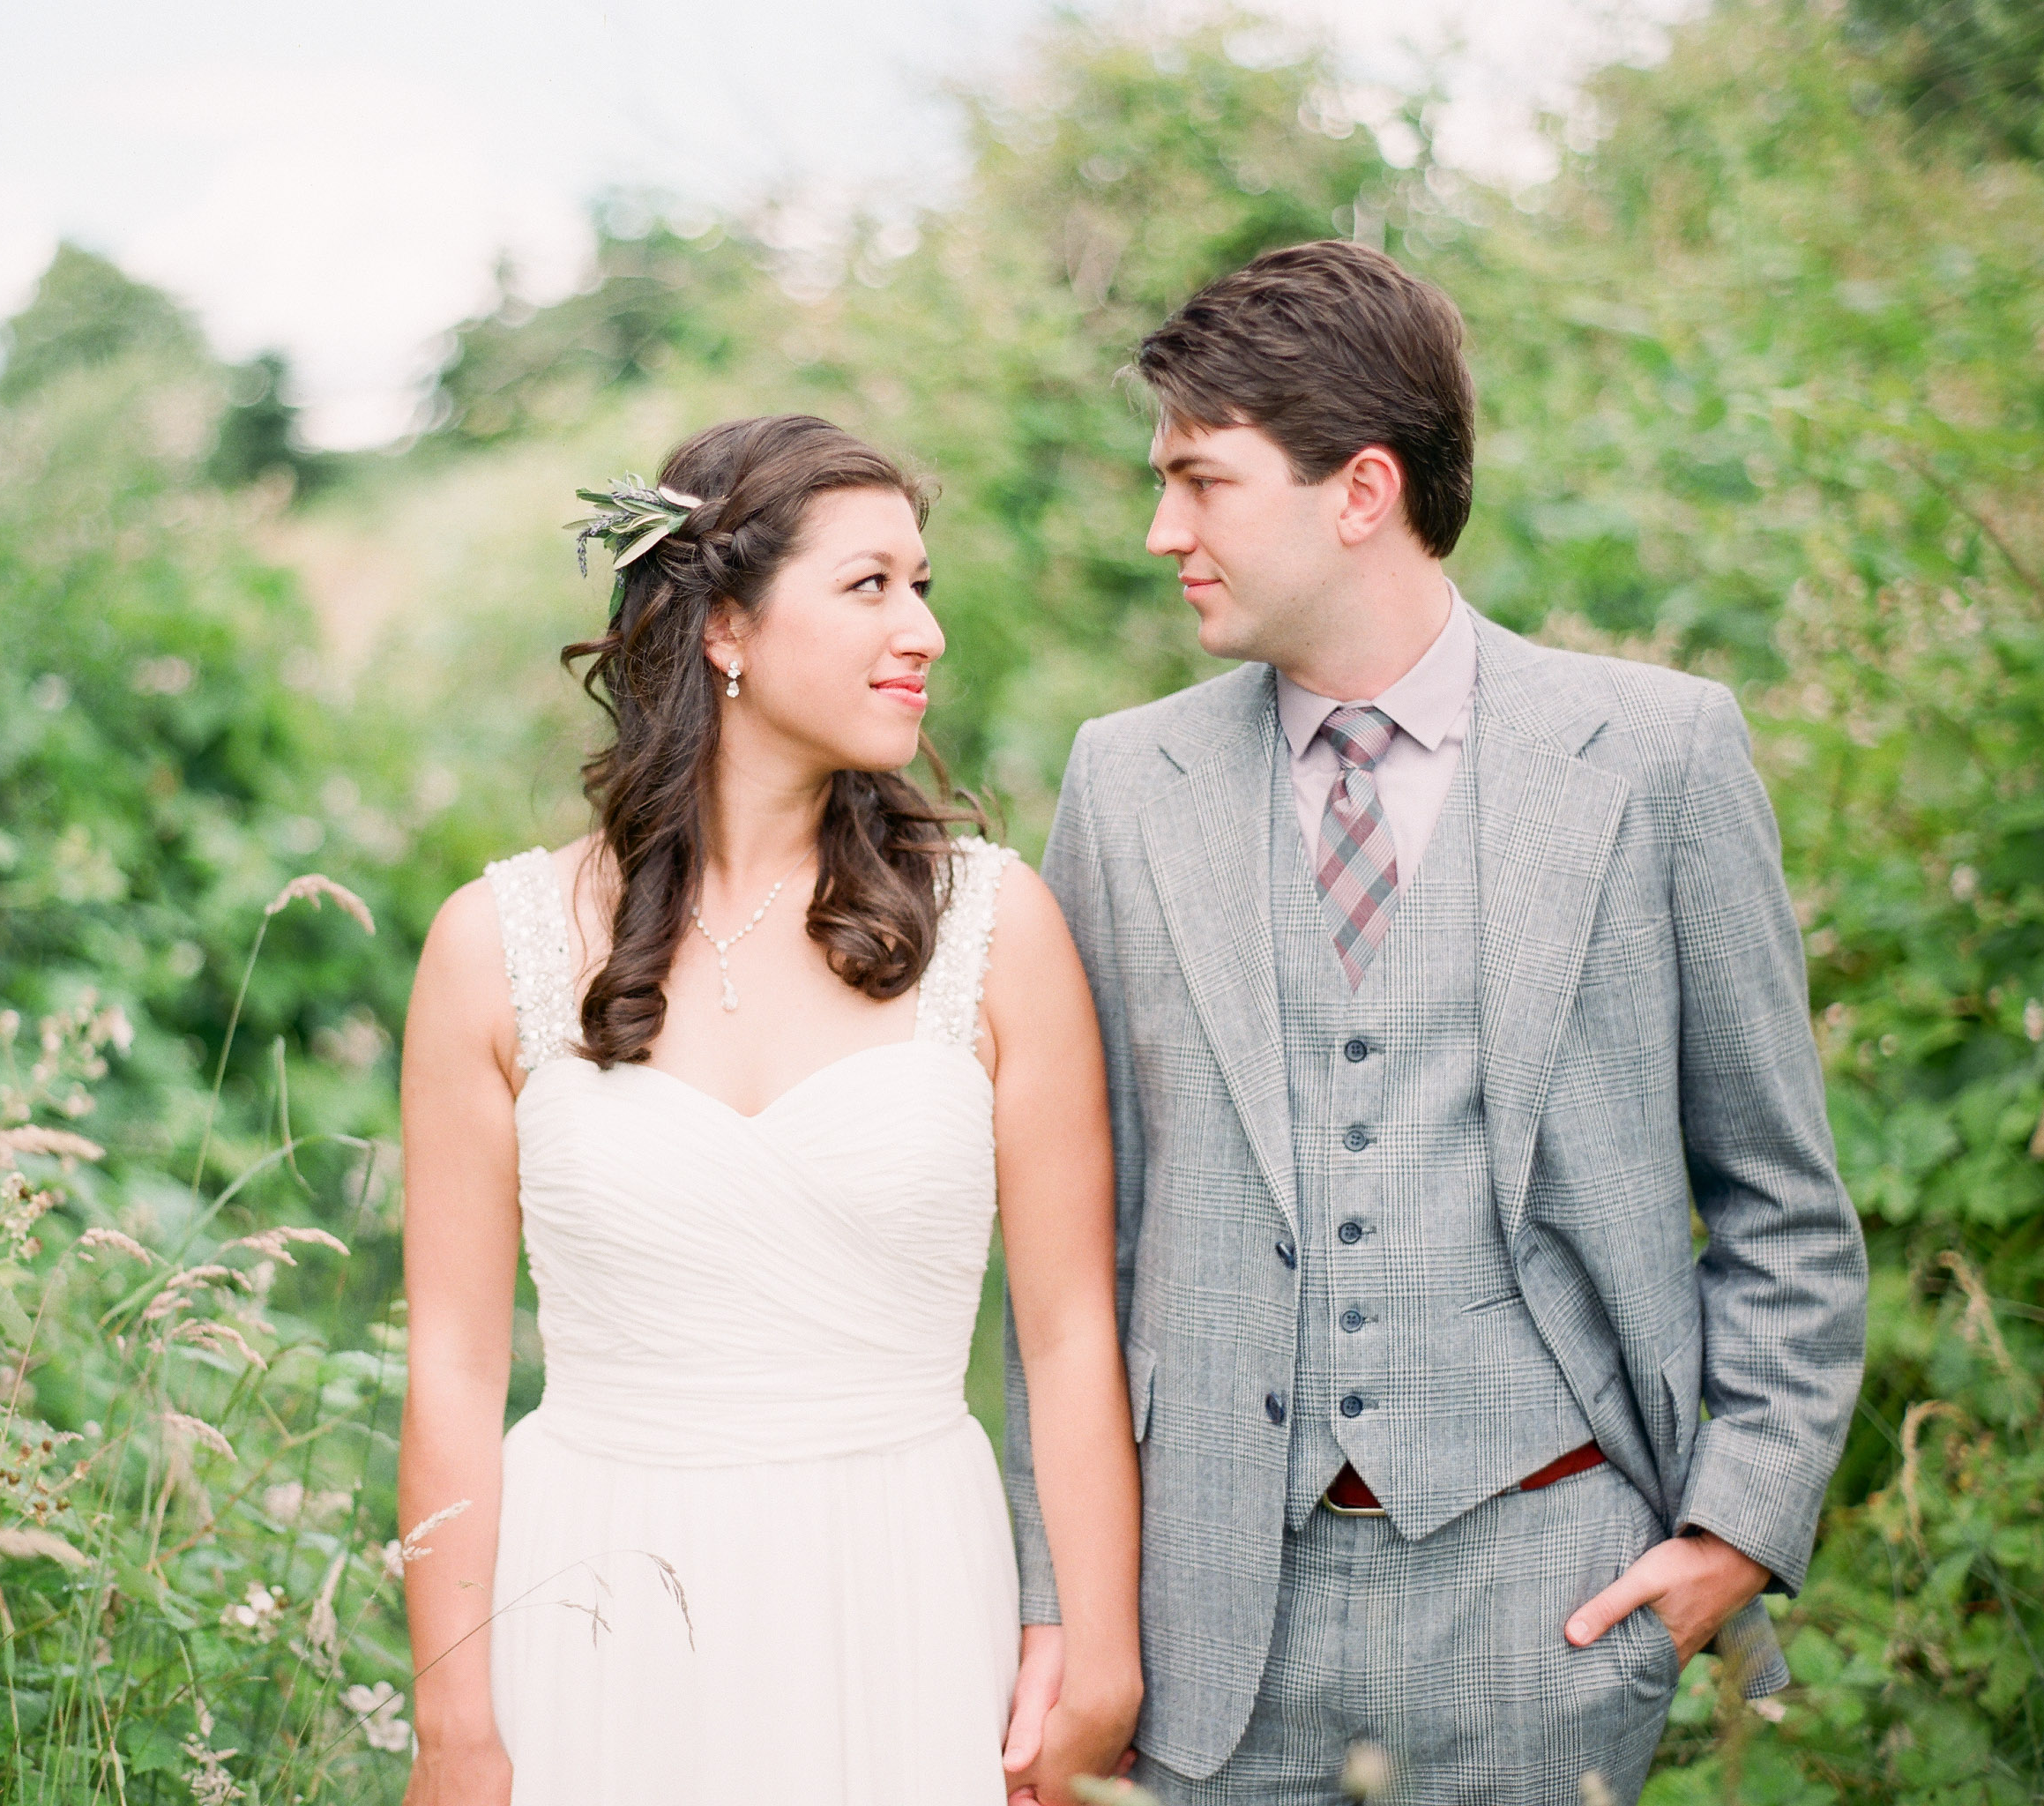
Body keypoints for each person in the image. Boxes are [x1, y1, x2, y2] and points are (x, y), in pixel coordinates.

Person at [1000, 243, 1869, 1804]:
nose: (1162, 531)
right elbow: (1070, 1257)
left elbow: (1782, 1201)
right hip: (1207, 1638)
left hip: (1550, 1606)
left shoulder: (1658, 757)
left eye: (1202, 481)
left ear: (1362, 489)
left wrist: (1738, 1528)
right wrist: (1063, 1611)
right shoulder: (1124, 785)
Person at [396, 414, 1142, 1805]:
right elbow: (451, 1367)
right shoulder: (493, 945)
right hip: (593, 1598)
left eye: (925, 586)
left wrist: (1094, 1645)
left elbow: (1069, 1327)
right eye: (870, 586)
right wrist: (457, 1725)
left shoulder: (999, 926)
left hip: (904, 1588)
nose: (921, 628)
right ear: (726, 627)